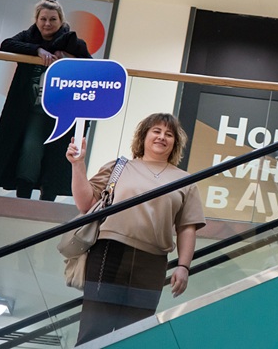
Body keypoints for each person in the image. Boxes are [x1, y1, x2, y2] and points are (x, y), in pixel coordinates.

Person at [66, 112, 205, 346]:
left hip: (153, 261)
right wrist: (78, 165)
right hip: (108, 252)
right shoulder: (120, 167)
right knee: (94, 327)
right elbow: (86, 204)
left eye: (168, 134)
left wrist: (183, 266)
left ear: (175, 143)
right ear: (143, 137)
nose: (162, 137)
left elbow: (186, 227)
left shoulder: (185, 180)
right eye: (156, 131)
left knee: (137, 332)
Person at [0, 0, 92, 200]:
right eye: (43, 18)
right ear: (36, 19)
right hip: (33, 107)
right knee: (30, 149)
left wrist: (69, 59)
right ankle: (23, 197)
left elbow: (91, 66)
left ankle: (47, 198)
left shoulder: (74, 43)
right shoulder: (28, 37)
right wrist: (37, 49)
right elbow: (7, 44)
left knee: (57, 154)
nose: (47, 23)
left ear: (61, 20)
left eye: (53, 19)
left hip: (63, 111)